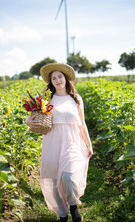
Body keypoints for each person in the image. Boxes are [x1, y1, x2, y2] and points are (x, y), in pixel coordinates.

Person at [26, 63, 93, 222]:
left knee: (68, 177)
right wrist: (29, 121)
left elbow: (82, 123)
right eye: (54, 78)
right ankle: (62, 215)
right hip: (52, 142)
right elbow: (32, 117)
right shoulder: (46, 99)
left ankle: (73, 206)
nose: (57, 80)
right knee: (54, 179)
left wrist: (89, 144)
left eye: (60, 77)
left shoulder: (76, 99)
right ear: (51, 82)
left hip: (72, 143)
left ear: (66, 78)